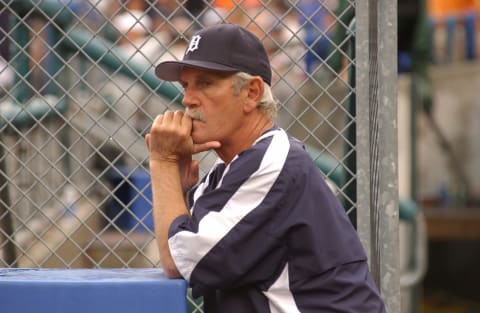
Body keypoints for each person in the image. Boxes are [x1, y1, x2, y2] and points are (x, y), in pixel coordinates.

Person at [146, 23, 386, 313]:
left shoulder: (272, 162)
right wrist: (180, 189)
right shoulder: (228, 171)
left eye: (205, 83)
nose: (187, 99)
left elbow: (179, 261)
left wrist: (163, 162)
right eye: (186, 86)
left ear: (252, 93)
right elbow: (182, 246)